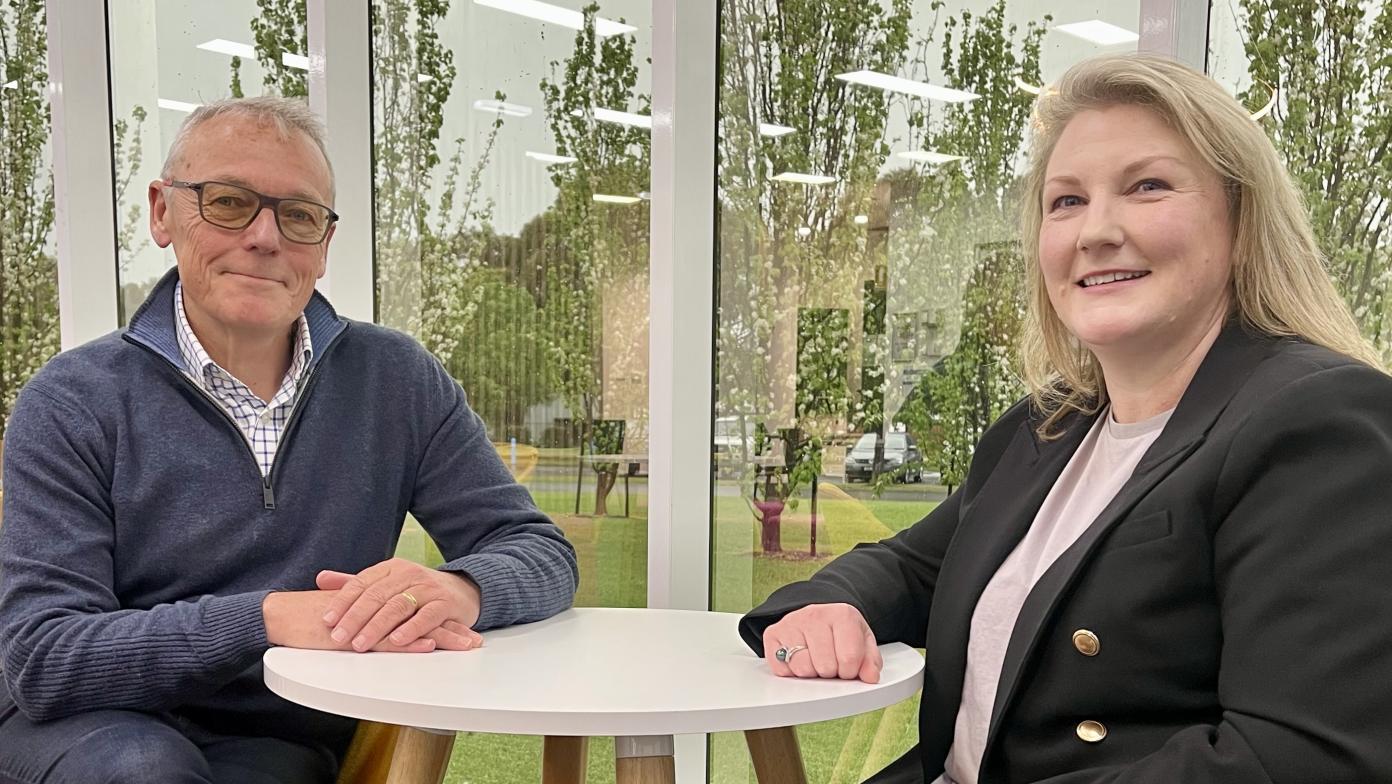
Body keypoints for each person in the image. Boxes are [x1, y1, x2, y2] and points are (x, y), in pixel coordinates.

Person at [740, 53, 1392, 783]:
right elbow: (914, 567)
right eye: (1066, 201)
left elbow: (1300, 759)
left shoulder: (1317, 420)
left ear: (1241, 224)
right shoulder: (1048, 425)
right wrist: (826, 604)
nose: (1096, 231)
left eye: (1147, 186)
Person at [0, 97, 578, 784]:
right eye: (228, 201)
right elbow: (47, 656)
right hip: (88, 727)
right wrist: (269, 618)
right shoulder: (73, 399)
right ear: (163, 212)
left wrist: (460, 588)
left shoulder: (396, 380)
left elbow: (541, 553)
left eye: (299, 214)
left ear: (325, 244)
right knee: (144, 770)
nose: (266, 237)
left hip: (277, 728)